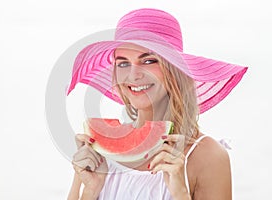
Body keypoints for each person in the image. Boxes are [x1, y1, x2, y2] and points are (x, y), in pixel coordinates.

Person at [66, 8, 248, 200]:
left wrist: (180, 193)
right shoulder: (97, 149)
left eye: (149, 60)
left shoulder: (208, 156)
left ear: (174, 69)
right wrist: (90, 190)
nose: (133, 74)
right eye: (123, 63)